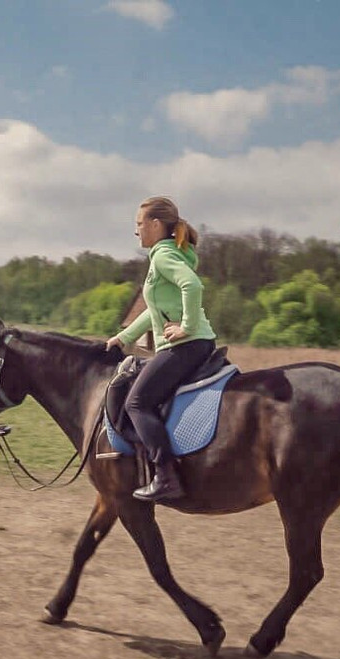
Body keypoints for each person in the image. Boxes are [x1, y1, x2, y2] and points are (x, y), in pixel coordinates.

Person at [105, 196, 217, 502]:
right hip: (194, 343)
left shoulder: (163, 257)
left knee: (136, 403)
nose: (136, 231)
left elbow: (192, 286)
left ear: (155, 225)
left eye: (139, 224)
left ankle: (166, 476)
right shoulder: (168, 254)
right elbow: (154, 309)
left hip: (185, 345)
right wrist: (125, 337)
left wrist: (187, 327)